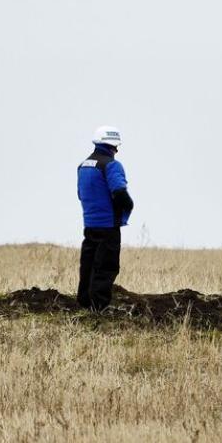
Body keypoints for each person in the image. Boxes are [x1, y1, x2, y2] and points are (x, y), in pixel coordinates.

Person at [76, 125, 134, 310]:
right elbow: (119, 192)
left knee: (89, 264)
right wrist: (128, 207)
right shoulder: (111, 165)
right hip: (108, 226)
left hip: (90, 224)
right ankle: (99, 307)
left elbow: (80, 193)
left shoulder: (83, 166)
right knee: (106, 266)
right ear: (114, 146)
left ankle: (85, 302)